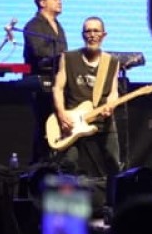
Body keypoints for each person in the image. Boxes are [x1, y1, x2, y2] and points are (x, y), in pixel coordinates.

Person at [50, 16, 123, 180]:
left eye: (96, 31)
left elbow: (113, 92)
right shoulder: (68, 58)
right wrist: (61, 114)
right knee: (68, 164)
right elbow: (57, 88)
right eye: (88, 31)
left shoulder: (112, 62)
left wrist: (111, 105)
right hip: (72, 122)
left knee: (113, 163)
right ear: (83, 35)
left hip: (102, 119)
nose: (92, 35)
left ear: (104, 35)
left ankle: (113, 195)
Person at [22, 0, 68, 165]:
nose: (59, 2)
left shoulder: (58, 26)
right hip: (40, 80)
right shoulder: (34, 25)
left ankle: (55, 163)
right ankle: (39, 165)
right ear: (42, 3)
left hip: (58, 80)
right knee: (43, 124)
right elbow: (40, 52)